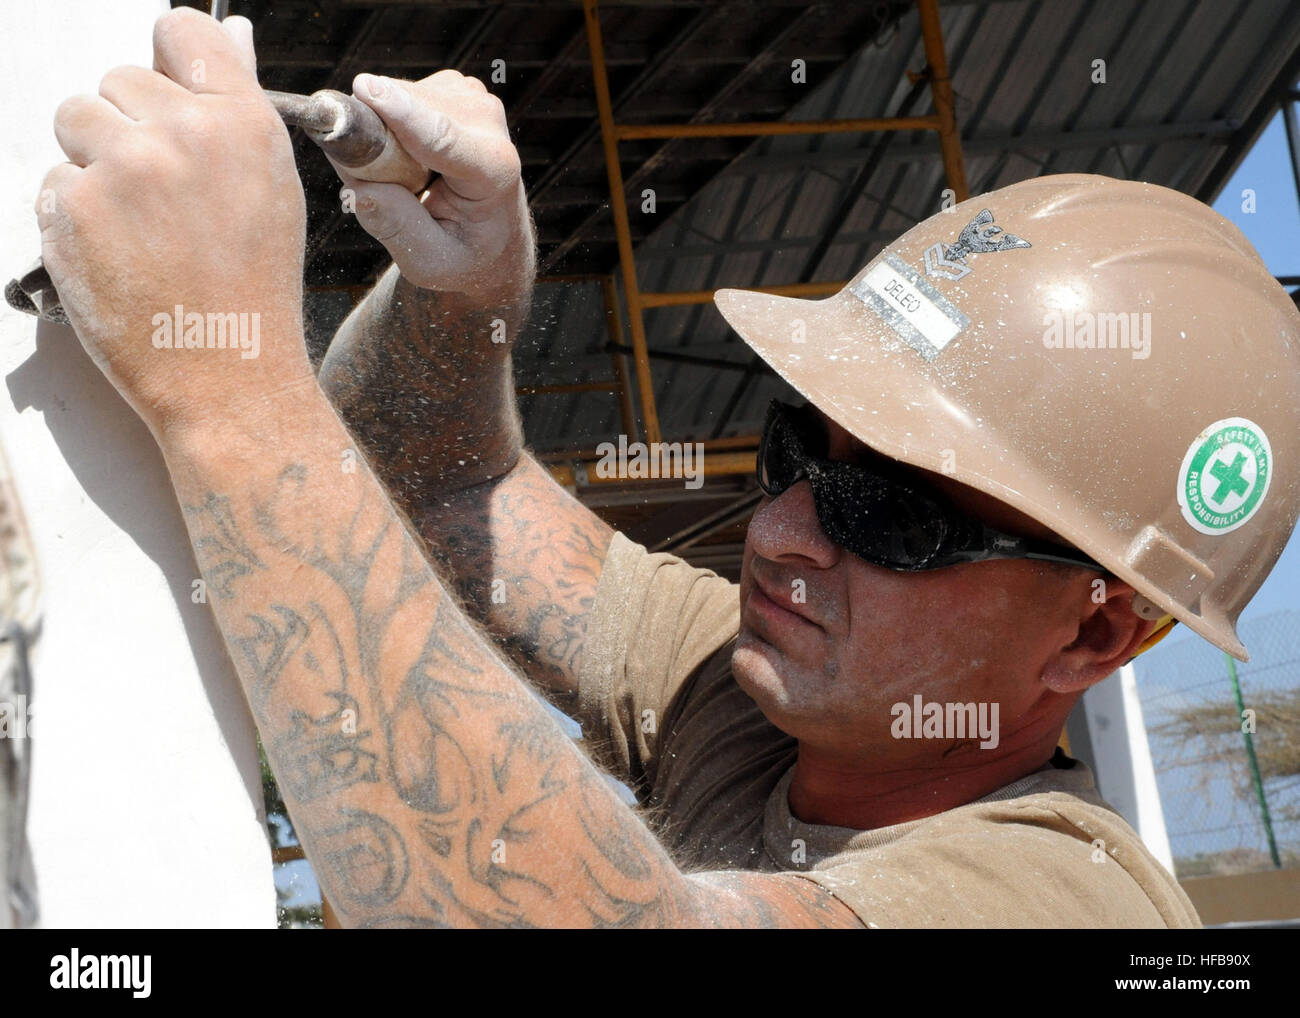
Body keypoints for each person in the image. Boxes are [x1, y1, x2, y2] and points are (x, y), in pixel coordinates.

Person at [40, 8, 1298, 927]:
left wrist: (228, 380)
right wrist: (462, 278)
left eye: (892, 511)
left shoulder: (1054, 897)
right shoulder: (750, 700)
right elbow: (442, 481)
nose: (785, 531)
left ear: (1094, 637)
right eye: (801, 449)